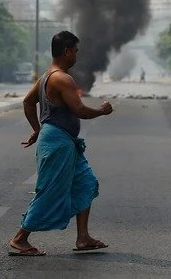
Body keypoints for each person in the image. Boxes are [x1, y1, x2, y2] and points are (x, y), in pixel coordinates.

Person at [9, 31, 114, 256]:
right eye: (75, 51)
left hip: (63, 141)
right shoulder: (62, 79)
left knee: (85, 182)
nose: (76, 55)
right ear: (66, 51)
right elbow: (80, 110)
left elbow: (28, 102)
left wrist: (37, 129)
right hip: (57, 143)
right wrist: (102, 111)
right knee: (49, 190)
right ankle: (20, 238)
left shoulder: (47, 76)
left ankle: (83, 237)